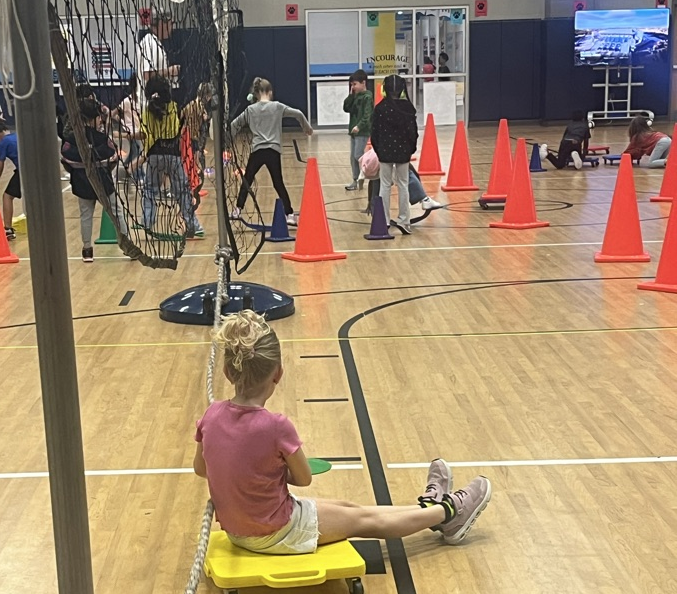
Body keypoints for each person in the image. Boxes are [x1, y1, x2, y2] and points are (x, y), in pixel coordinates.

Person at [194, 312, 491, 554]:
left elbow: (201, 468)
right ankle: (449, 514)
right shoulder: (276, 425)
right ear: (278, 373)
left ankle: (428, 508)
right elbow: (304, 478)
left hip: (239, 531)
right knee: (365, 521)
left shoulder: (211, 415)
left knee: (350, 508)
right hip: (275, 532)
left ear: (228, 373)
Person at [230, 77, 312, 227]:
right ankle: (290, 215)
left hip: (257, 151)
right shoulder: (277, 106)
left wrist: (227, 139)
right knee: (278, 183)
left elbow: (235, 125)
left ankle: (237, 210)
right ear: (270, 92)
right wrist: (307, 128)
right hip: (273, 151)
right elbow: (298, 113)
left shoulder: (250, 110)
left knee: (247, 180)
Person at [60, 98, 128, 262]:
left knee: (86, 215)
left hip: (82, 182)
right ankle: (128, 246)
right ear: (94, 118)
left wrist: (79, 171)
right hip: (103, 181)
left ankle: (87, 250)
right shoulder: (102, 138)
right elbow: (113, 158)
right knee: (117, 212)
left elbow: (65, 159)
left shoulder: (72, 139)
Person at [138, 75, 203, 239]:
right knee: (182, 191)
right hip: (173, 155)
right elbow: (178, 130)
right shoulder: (175, 108)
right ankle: (192, 224)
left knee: (150, 191)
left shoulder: (147, 112)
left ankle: (147, 222)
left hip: (154, 155)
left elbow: (146, 134)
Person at [371, 74, 419, 235]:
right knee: (403, 184)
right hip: (403, 152)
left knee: (385, 185)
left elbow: (375, 133)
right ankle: (404, 220)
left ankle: (384, 220)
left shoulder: (380, 108)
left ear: (385, 88)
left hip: (385, 151)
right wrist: (411, 148)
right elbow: (413, 132)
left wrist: (378, 150)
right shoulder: (408, 108)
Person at [0, 120, 21, 241]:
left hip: (23, 171)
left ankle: (8, 229)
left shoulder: (3, 143)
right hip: (36, 169)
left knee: (7, 196)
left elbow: (0, 166)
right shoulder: (18, 135)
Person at [137, 8, 180, 99]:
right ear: (161, 23)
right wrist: (169, 71)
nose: (172, 28)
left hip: (158, 104)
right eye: (170, 24)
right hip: (149, 105)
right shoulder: (149, 42)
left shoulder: (156, 43)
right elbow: (147, 75)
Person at [343, 70, 373, 191]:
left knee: (358, 155)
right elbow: (346, 108)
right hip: (354, 131)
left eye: (355, 84)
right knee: (353, 157)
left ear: (363, 83)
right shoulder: (355, 96)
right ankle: (355, 180)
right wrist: (350, 95)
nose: (353, 87)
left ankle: (369, 174)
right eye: (352, 85)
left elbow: (367, 115)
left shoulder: (367, 97)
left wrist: (359, 126)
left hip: (362, 131)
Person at [112, 73, 143, 184]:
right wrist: (122, 122)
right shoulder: (127, 101)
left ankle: (123, 169)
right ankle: (137, 175)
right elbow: (113, 113)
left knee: (135, 151)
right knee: (138, 151)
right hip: (129, 130)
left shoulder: (142, 100)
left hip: (139, 130)